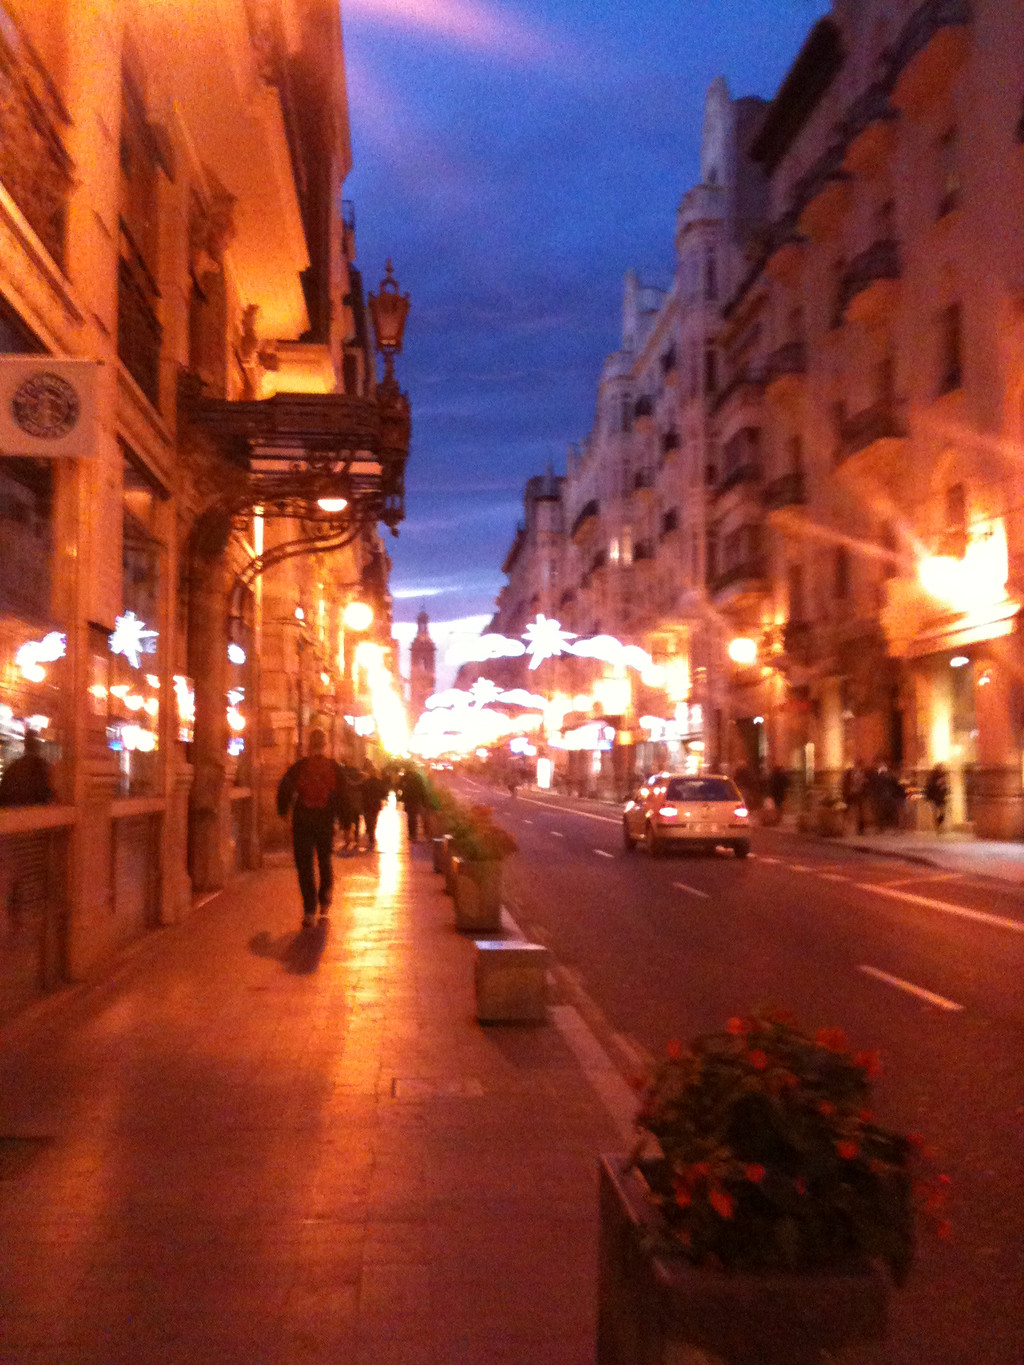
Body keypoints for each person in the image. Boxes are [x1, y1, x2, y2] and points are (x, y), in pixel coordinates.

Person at [276, 729, 345, 926]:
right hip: (324, 821)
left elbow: (284, 787)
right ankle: (324, 899)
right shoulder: (334, 767)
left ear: (308, 745)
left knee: (304, 865)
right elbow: (343, 794)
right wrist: (345, 821)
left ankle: (309, 910)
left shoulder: (300, 767)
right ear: (325, 745)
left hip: (303, 821)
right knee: (324, 860)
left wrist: (283, 811)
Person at [0, 731, 54, 807]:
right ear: (38, 746)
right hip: (38, 813)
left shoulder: (13, 767)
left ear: (25, 745)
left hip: (14, 813)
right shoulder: (43, 767)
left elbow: (3, 797)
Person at [359, 762, 388, 850]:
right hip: (375, 804)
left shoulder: (366, 782)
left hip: (367, 803)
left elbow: (362, 792)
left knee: (368, 818)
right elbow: (384, 793)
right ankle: (372, 832)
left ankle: (370, 831)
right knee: (374, 818)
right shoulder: (379, 782)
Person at [398, 764, 427, 842]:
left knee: (411, 817)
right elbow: (422, 789)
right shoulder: (417, 777)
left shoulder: (406, 776)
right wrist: (423, 800)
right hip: (415, 799)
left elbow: (400, 786)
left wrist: (400, 796)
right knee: (413, 817)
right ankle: (413, 834)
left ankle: (411, 834)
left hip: (409, 800)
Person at [841, 761, 868, 835]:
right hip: (856, 794)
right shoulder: (858, 773)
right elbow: (861, 783)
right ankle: (859, 830)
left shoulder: (847, 773)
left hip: (850, 793)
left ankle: (845, 827)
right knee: (858, 811)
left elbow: (843, 783)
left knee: (848, 810)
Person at [924, 762, 949, 831]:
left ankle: (938, 824)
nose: (941, 769)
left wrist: (945, 788)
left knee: (942, 812)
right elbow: (930, 786)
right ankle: (937, 827)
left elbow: (945, 787)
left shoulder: (943, 776)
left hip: (941, 797)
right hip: (935, 797)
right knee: (935, 812)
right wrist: (938, 784)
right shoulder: (933, 777)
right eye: (940, 768)